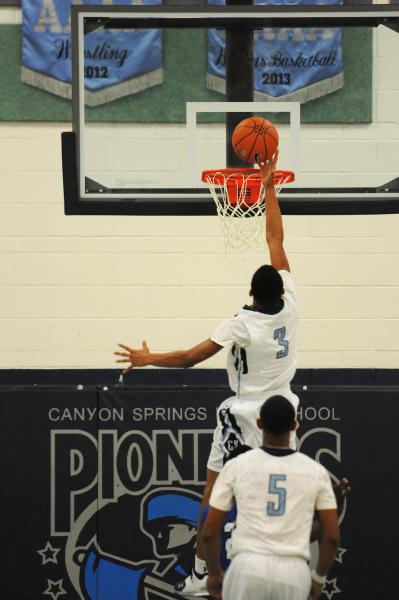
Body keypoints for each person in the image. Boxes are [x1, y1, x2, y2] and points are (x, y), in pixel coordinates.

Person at [114, 152, 299, 595]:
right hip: (282, 416)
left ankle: (201, 570)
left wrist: (147, 358)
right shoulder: (292, 302)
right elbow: (276, 237)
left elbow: (187, 360)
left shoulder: (241, 324)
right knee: (275, 497)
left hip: (241, 417)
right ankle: (278, 565)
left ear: (251, 292)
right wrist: (269, 187)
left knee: (215, 495)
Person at [202, 396, 340, 600]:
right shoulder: (315, 471)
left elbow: (209, 531)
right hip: (292, 571)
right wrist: (318, 578)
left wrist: (213, 573)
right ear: (295, 425)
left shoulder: (236, 466)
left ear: (259, 424)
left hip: (248, 566)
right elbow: (331, 536)